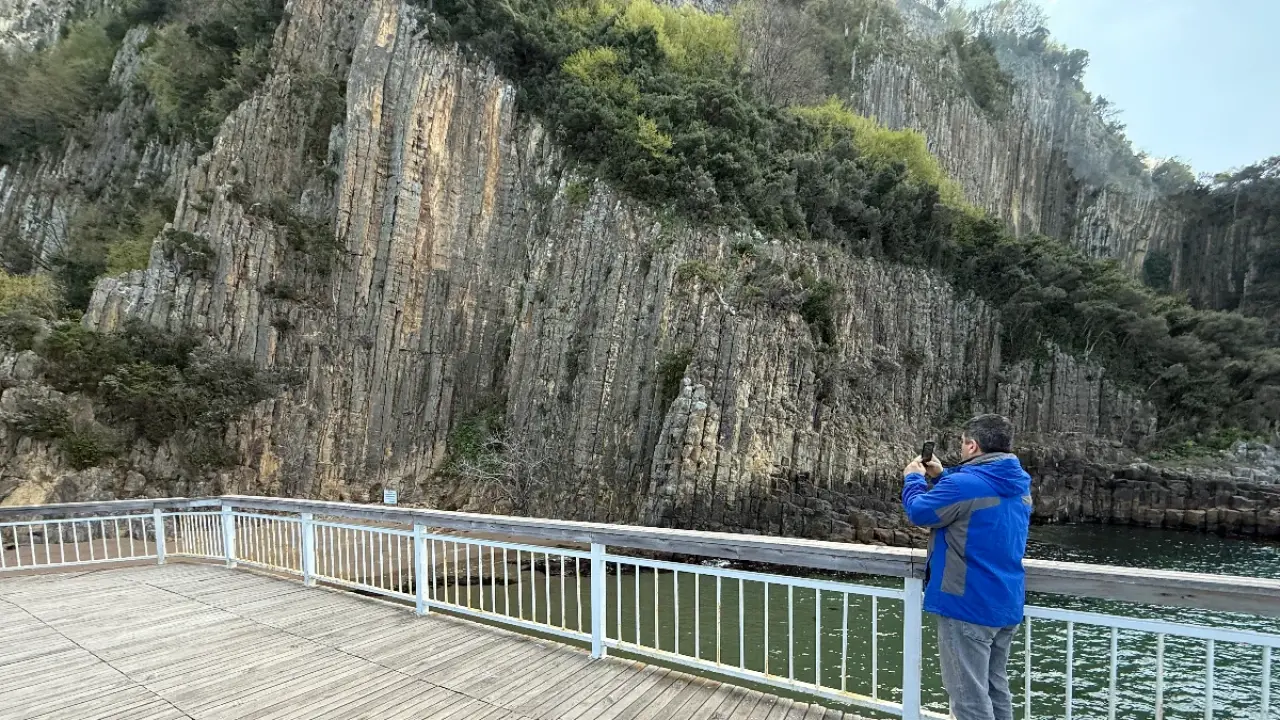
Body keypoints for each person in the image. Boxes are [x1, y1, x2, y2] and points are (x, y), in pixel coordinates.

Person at [900, 414, 1033, 720]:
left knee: (968, 698)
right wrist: (942, 475)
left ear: (972, 445)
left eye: (962, 444)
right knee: (995, 688)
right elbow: (972, 506)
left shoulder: (965, 485)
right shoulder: (1018, 485)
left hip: (967, 604)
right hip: (1005, 602)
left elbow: (921, 512)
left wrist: (913, 478)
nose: (961, 449)